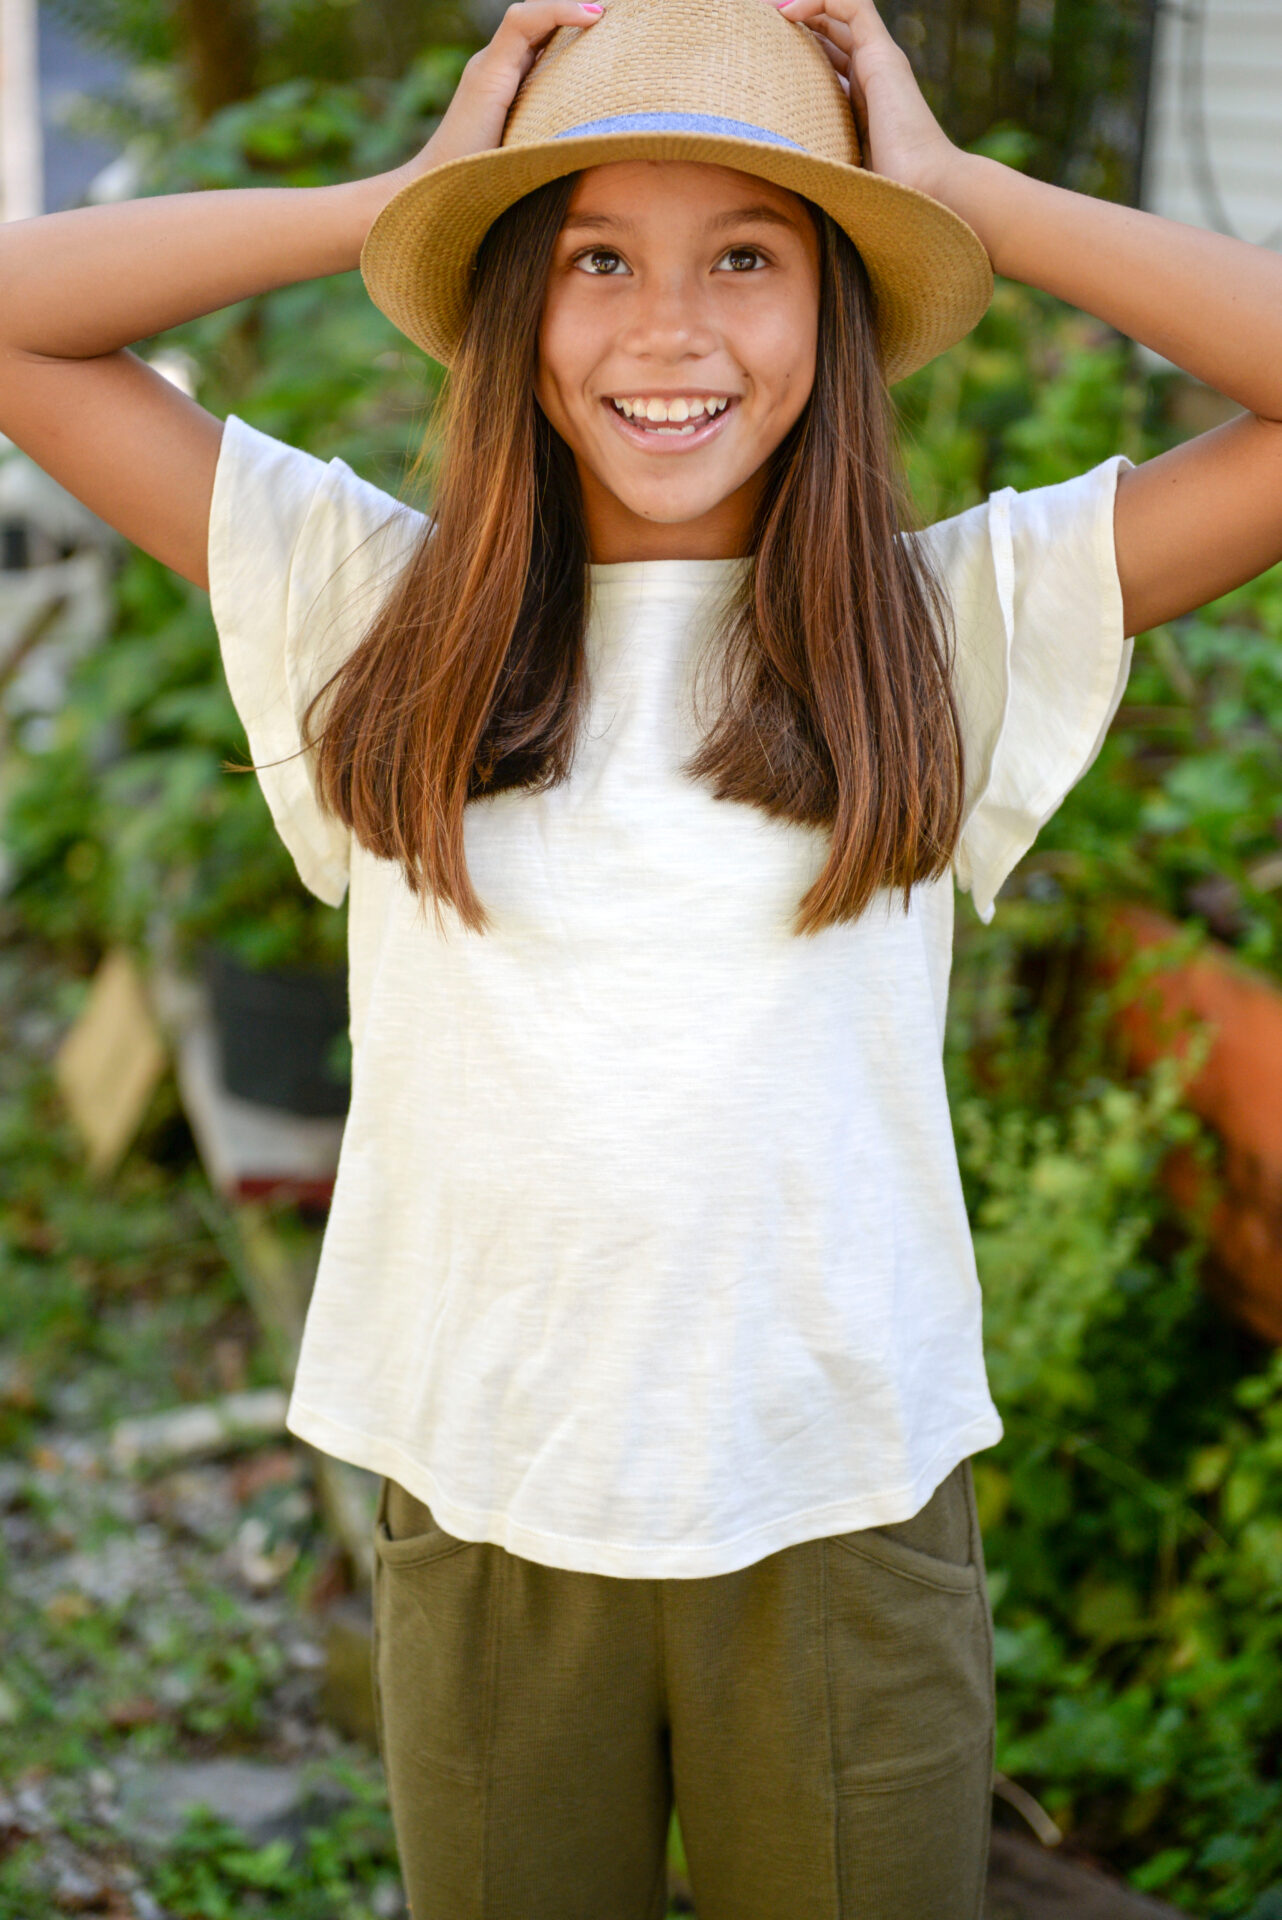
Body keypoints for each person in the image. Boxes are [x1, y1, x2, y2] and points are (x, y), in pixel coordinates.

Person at [3, 0, 1280, 1912]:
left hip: (840, 1513)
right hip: (491, 1507)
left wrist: (958, 193)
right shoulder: (377, 605)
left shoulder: (940, 626)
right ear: (510, 306)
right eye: (595, 257)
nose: (667, 326)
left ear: (836, 310)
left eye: (746, 257)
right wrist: (393, 198)